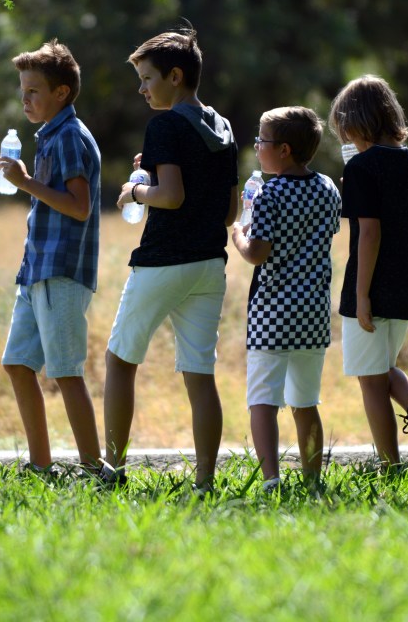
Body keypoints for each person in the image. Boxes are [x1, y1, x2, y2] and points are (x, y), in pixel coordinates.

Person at [103, 25, 238, 493]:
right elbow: (229, 212)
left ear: (175, 76)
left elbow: (172, 196)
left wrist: (134, 191)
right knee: (200, 374)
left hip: (163, 261)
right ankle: (205, 482)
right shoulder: (222, 126)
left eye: (147, 79)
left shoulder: (164, 125)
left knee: (120, 360)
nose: (141, 89)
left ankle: (112, 472)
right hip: (210, 265)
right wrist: (158, 171)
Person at [0, 39, 102, 474]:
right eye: (22, 91)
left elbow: (79, 207)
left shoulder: (70, 137)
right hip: (36, 270)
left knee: (65, 371)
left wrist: (26, 183)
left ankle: (95, 470)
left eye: (33, 91)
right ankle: (40, 466)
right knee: (17, 365)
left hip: (61, 271)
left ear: (61, 92)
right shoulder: (49, 136)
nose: (25, 99)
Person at [328, 74, 408, 470]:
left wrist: (361, 296)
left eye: (345, 130)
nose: (346, 139)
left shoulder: (362, 167)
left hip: (371, 287)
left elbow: (369, 233)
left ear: (357, 123)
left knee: (370, 379)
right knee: (382, 367)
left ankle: (390, 465)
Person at [231, 107, 342, 491]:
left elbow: (257, 253)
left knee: (263, 401)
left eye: (261, 140)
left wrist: (238, 235)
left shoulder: (269, 193)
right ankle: (312, 479)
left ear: (283, 150)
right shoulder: (327, 188)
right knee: (306, 402)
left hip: (272, 313)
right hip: (313, 313)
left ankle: (271, 480)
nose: (256, 147)